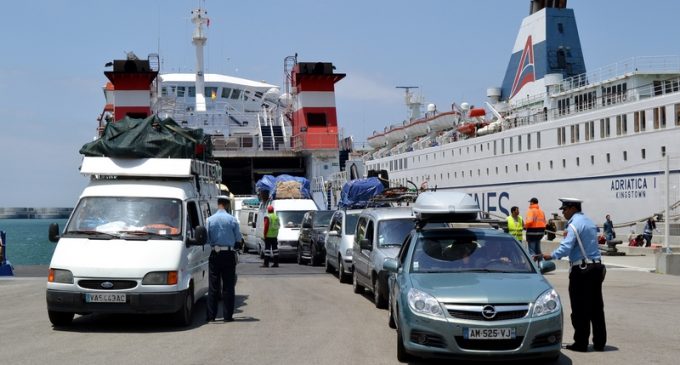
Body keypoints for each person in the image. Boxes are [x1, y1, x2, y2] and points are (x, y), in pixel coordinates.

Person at [536, 198, 606, 352]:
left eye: (565, 209)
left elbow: (566, 248)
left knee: (580, 308)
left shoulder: (574, 225)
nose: (563, 212)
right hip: (596, 267)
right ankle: (600, 343)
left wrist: (551, 255)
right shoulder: (589, 222)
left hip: (582, 270)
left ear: (573, 208)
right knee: (596, 307)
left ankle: (581, 343)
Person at [206, 196, 242, 322]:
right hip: (228, 254)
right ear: (227, 205)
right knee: (228, 286)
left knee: (213, 286)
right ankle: (227, 316)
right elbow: (238, 238)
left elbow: (207, 238)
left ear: (218, 204)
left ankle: (211, 317)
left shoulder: (209, 220)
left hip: (215, 254)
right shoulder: (232, 220)